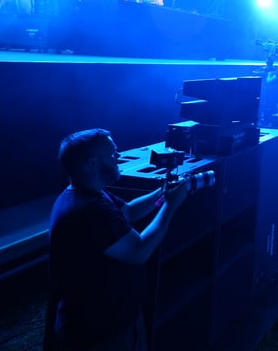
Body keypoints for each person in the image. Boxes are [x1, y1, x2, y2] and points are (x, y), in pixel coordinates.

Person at [48, 128, 189, 351]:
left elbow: (129, 212)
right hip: (99, 330)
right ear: (93, 163)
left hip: (112, 319)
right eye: (112, 154)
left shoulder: (85, 193)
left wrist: (162, 194)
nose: (119, 157)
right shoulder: (89, 211)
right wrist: (171, 206)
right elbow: (139, 250)